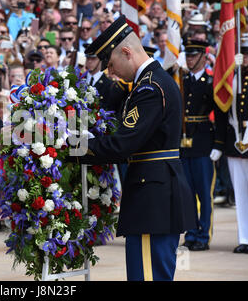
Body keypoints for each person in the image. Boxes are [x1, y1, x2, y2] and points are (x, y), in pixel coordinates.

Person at [79, 16, 195, 281]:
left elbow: (122, 143)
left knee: (147, 276)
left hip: (151, 198)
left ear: (127, 52)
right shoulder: (149, 83)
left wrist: (73, 148)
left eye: (111, 64)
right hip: (154, 194)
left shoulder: (149, 88)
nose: (110, 73)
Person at [179, 39, 224, 251]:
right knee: (187, 193)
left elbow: (221, 114)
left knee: (204, 193)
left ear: (204, 57)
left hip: (204, 143)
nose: (189, 58)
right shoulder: (183, 81)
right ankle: (191, 232)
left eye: (193, 55)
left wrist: (219, 144)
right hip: (184, 145)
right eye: (187, 54)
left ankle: (204, 235)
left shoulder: (210, 81)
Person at [216, 37, 248, 254]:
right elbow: (223, 111)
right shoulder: (233, 78)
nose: (246, 56)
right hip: (235, 143)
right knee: (241, 194)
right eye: (244, 52)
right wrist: (219, 143)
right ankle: (245, 237)